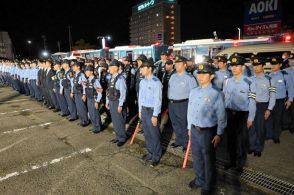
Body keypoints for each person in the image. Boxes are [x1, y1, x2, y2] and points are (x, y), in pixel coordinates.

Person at [188, 63, 226, 195]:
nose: (200, 76)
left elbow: (221, 116)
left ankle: (208, 185)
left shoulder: (216, 94)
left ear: (211, 76)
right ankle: (199, 180)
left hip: (207, 132)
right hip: (194, 129)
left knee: (208, 159)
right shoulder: (194, 91)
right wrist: (189, 127)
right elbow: (190, 111)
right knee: (197, 157)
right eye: (199, 73)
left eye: (204, 74)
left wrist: (219, 133)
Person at [223, 54, 256, 173]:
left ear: (242, 67)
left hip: (243, 115)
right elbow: (224, 99)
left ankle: (240, 164)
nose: (234, 68)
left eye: (237, 65)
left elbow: (252, 101)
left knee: (241, 141)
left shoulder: (249, 82)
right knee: (230, 139)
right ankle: (231, 161)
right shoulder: (227, 81)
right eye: (232, 65)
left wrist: (250, 118)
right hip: (229, 114)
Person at [168, 55, 198, 152]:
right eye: (175, 63)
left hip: (183, 104)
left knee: (183, 124)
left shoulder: (189, 78)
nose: (176, 65)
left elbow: (194, 94)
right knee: (175, 123)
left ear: (185, 65)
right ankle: (179, 140)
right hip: (172, 104)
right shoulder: (173, 76)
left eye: (179, 63)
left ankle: (186, 143)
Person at [249, 55, 276, 157]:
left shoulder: (269, 80)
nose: (255, 67)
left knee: (260, 128)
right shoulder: (249, 79)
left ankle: (259, 147)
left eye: (258, 65)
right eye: (254, 65)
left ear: (263, 66)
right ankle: (251, 146)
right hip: (251, 106)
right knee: (251, 127)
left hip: (262, 107)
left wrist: (269, 109)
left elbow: (272, 96)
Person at [138, 59, 162, 167]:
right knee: (147, 133)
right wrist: (139, 110)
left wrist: (155, 115)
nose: (141, 70)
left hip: (152, 111)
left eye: (143, 68)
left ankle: (156, 156)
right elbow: (140, 98)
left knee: (154, 134)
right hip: (144, 110)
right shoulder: (142, 81)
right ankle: (150, 153)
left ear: (150, 69)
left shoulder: (156, 82)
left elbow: (158, 100)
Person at [267, 57, 294, 143]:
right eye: (272, 64)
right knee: (269, 119)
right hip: (269, 101)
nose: (273, 66)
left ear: (280, 65)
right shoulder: (268, 75)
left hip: (280, 101)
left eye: (275, 64)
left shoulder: (285, 75)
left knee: (278, 119)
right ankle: (270, 134)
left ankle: (276, 136)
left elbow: (290, 88)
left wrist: (290, 100)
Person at [106, 59, 127, 147]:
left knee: (119, 120)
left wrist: (120, 104)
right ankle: (118, 136)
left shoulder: (120, 79)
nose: (109, 68)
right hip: (111, 101)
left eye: (110, 67)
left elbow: (123, 93)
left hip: (117, 102)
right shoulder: (112, 78)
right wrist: (107, 101)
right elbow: (108, 90)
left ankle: (122, 137)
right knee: (114, 120)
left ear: (115, 68)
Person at [83, 66, 103, 134]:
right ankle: (95, 126)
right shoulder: (88, 79)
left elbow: (100, 91)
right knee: (91, 114)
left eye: (87, 71)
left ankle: (98, 128)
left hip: (94, 99)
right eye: (85, 71)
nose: (86, 72)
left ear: (91, 72)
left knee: (95, 114)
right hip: (89, 98)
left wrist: (97, 101)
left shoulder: (95, 80)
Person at [71, 61, 89, 127]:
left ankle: (85, 121)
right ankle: (82, 120)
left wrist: (84, 94)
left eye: (74, 66)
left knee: (82, 107)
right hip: (76, 93)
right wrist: (72, 91)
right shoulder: (75, 74)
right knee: (79, 108)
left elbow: (84, 85)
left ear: (78, 67)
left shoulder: (82, 75)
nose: (73, 67)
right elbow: (74, 84)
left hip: (80, 93)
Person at [284, 58, 294, 133]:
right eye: (290, 61)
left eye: (293, 60)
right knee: (289, 110)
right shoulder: (285, 71)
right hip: (288, 93)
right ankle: (290, 126)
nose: (292, 62)